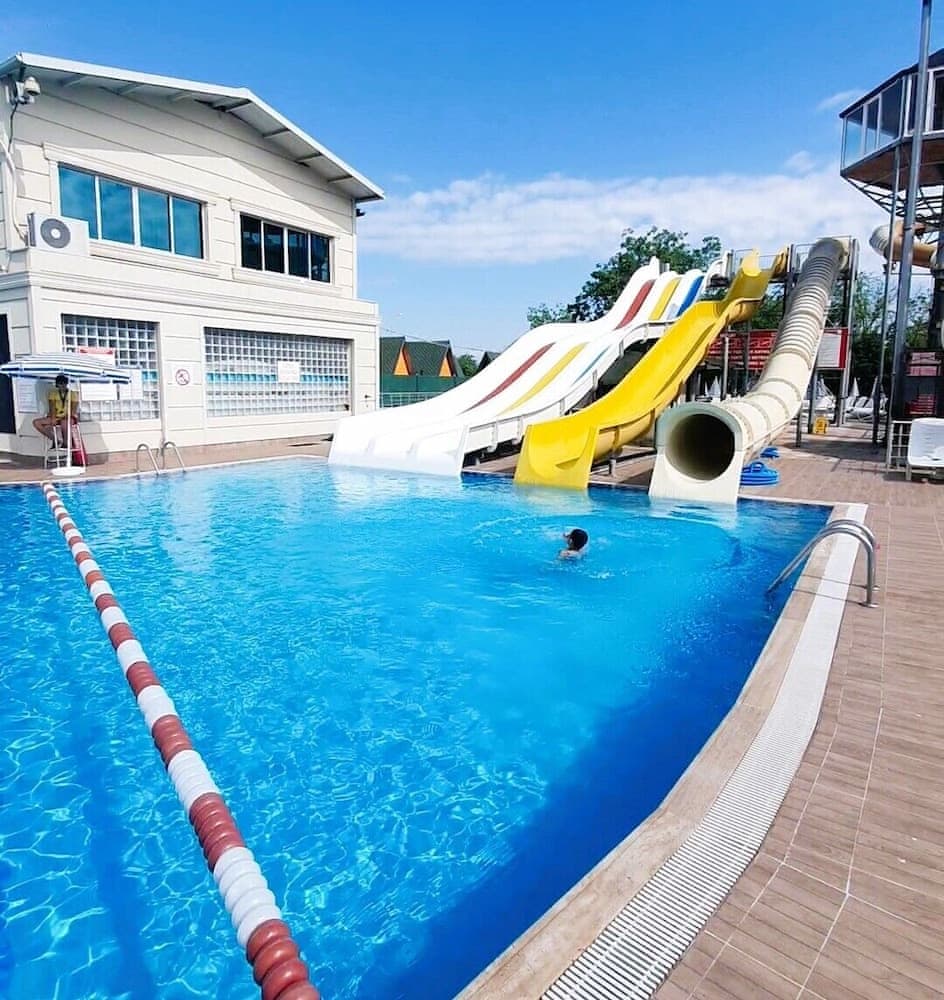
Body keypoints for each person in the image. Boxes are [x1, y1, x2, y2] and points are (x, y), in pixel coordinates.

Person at [33, 375, 85, 462]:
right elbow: (52, 406)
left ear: (66, 384)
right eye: (60, 384)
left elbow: (73, 410)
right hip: (56, 416)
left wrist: (66, 416)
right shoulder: (53, 393)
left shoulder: (72, 394)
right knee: (36, 422)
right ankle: (55, 439)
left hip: (68, 416)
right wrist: (53, 418)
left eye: (64, 384)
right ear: (57, 384)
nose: (62, 386)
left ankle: (66, 443)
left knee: (65, 422)